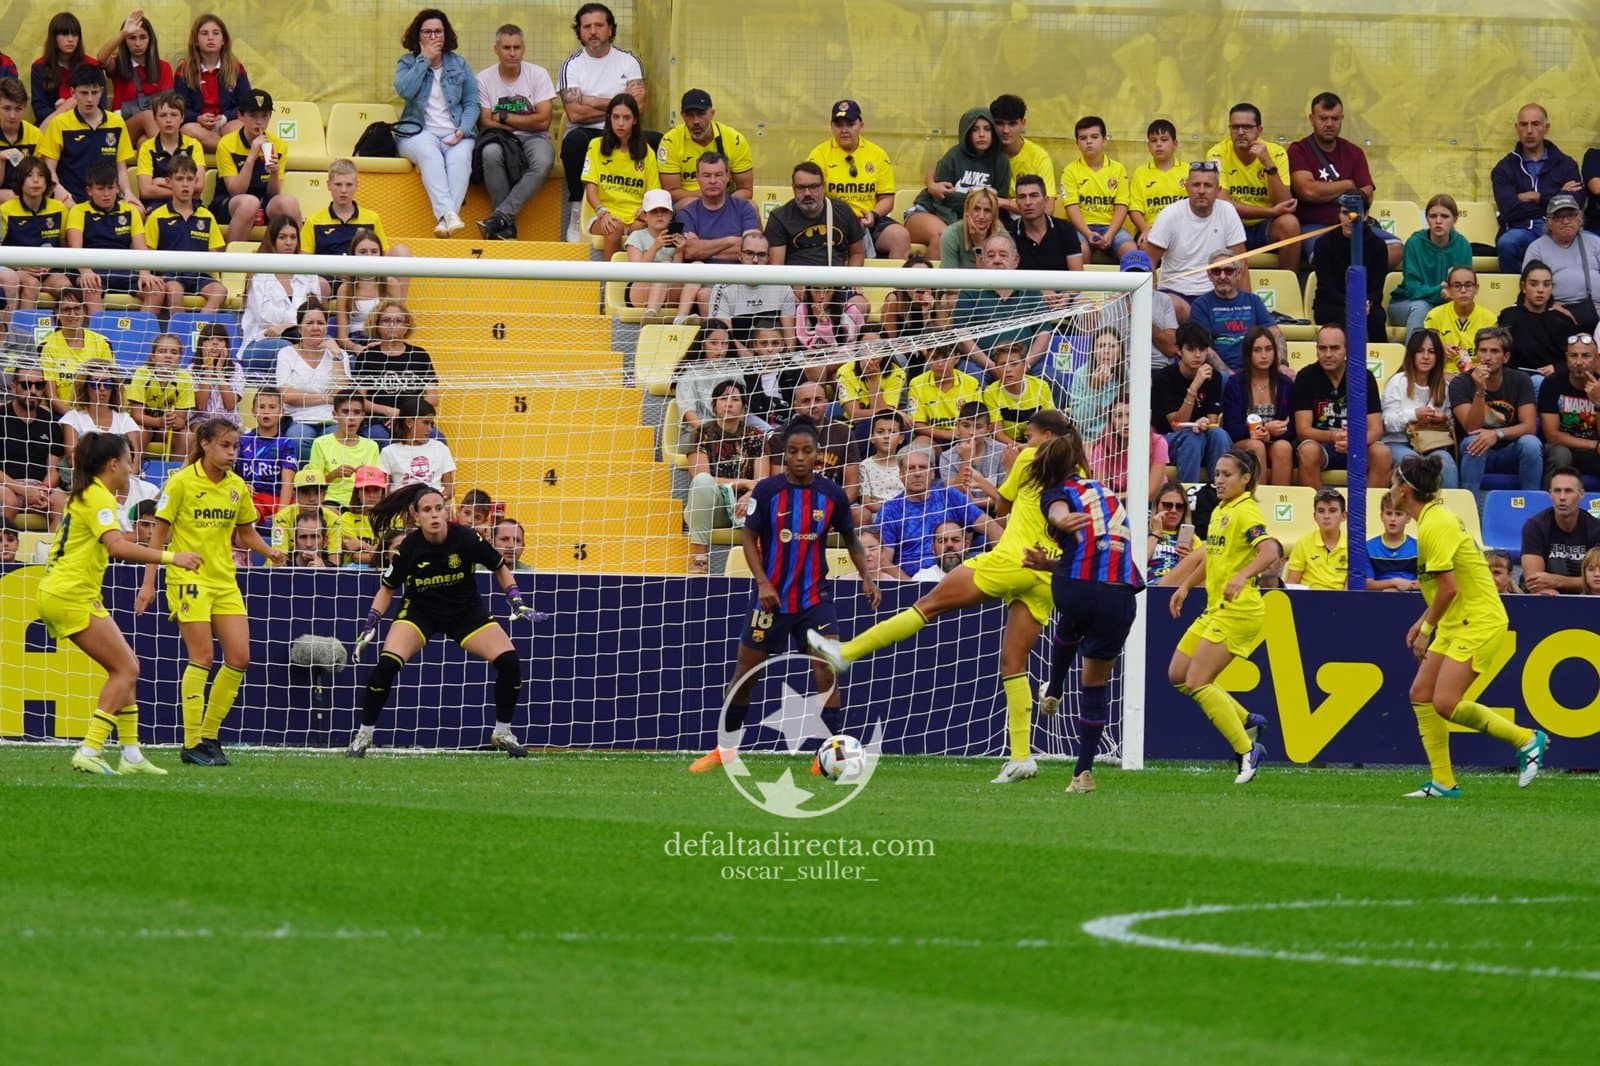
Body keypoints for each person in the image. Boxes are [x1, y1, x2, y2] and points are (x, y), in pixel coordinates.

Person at [809, 411, 1070, 785]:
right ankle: (1022, 756)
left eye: (1029, 436)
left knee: (927, 606)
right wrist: (982, 479)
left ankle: (844, 654)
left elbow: (1002, 510)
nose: (1023, 443)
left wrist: (1009, 466)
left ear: (1044, 436)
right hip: (1046, 572)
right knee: (1013, 662)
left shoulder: (1030, 459)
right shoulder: (1077, 473)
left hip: (1012, 559)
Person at [689, 418, 879, 774]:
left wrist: (867, 576)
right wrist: (762, 582)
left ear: (817, 454)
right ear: (786, 455)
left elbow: (852, 539)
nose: (800, 458)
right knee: (746, 674)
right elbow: (748, 537)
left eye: (807, 451)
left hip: (814, 598)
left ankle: (827, 755)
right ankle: (725, 751)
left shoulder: (832, 495)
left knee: (826, 671)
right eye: (793, 451)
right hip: (771, 599)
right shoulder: (767, 492)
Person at [40, 432, 203, 775]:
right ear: (113, 464)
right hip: (69, 594)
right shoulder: (98, 497)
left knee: (126, 665)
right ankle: (90, 748)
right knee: (126, 669)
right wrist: (173, 556)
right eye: (129, 459)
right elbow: (116, 547)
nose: (131, 467)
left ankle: (131, 755)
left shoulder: (87, 494)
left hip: (68, 591)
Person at [1391, 452, 1548, 798]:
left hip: (1478, 620)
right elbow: (1446, 588)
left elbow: (1449, 588)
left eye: (1393, 481)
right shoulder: (1430, 520)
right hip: (1455, 619)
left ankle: (1526, 739)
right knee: (1421, 695)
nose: (1390, 487)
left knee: (1445, 702)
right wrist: (1423, 622)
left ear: (1404, 489)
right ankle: (1443, 782)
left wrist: (1427, 629)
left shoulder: (1436, 524)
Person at [348, 483, 545, 757]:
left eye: (439, 508)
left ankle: (502, 732)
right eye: (427, 510)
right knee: (386, 664)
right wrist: (371, 623)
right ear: (415, 516)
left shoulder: (467, 538)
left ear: (446, 510)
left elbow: (500, 567)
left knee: (510, 662)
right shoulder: (408, 549)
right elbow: (387, 588)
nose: (434, 515)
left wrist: (516, 600)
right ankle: (363, 735)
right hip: (420, 613)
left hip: (465, 612)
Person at [135, 417, 284, 765]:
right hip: (188, 579)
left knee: (239, 658)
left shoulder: (236, 487)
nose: (232, 453)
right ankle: (190, 742)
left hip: (224, 580)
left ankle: (209, 736)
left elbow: (245, 534)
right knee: (202, 657)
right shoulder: (181, 482)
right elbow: (158, 536)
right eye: (225, 445)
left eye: (235, 447)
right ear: (205, 444)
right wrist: (148, 581)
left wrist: (269, 552)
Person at [1023, 426, 1145, 794]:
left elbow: (1059, 510)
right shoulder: (1106, 492)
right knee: (1094, 683)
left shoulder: (1056, 493)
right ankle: (1083, 773)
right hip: (1120, 597)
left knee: (1072, 618)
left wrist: (1059, 522)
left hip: (1076, 588)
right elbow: (1100, 548)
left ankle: (1054, 687)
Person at [1167, 448, 1277, 784]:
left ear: (1246, 478)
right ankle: (1245, 718)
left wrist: (1243, 576)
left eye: (1227, 474)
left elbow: (1271, 550)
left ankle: (1247, 750)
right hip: (1214, 609)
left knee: (1198, 681)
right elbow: (1212, 559)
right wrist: (1185, 586)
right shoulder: (1220, 510)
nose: (1219, 480)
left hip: (1239, 611)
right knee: (1178, 675)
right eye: (1216, 473)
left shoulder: (1246, 512)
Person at [557, 3, 647, 241]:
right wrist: (619, 107)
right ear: (580, 31)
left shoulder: (629, 61)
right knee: (574, 142)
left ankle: (650, 212)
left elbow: (638, 108)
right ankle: (577, 209)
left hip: (626, 133)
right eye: (587, 27)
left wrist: (590, 100)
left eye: (599, 25)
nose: (593, 31)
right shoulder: (571, 65)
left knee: (656, 142)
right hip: (587, 132)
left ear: (610, 29)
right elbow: (575, 114)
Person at [1287, 92, 1399, 269]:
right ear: (1311, 119)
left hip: (1353, 223)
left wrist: (1325, 192)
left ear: (1342, 119)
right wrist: (1348, 185)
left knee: (1395, 249)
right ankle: (1348, 289)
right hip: (1315, 226)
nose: (1329, 124)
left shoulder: (1354, 152)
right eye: (1323, 118)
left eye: (1335, 119)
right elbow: (1307, 191)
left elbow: (1367, 195)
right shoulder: (1298, 150)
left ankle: (1360, 288)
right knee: (1324, 255)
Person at [394, 9, 476, 238]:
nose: (433, 36)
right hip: (416, 132)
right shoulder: (407, 62)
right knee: (430, 154)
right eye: (427, 32)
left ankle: (445, 219)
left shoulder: (459, 63)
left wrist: (463, 130)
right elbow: (405, 91)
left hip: (455, 131)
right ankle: (449, 214)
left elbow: (471, 102)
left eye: (438, 31)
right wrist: (424, 61)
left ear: (445, 34)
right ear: (418, 36)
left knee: (461, 159)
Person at [473, 23, 554, 241]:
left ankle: (500, 217)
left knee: (544, 160)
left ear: (524, 48)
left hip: (535, 138)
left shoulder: (538, 74)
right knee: (489, 153)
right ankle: (505, 228)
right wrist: (525, 121)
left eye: (517, 47)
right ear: (496, 49)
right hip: (500, 138)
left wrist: (505, 117)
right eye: (506, 47)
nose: (512, 53)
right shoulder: (483, 79)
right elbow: (485, 122)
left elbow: (544, 121)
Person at [804, 99, 909, 259]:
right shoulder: (819, 155)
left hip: (869, 220)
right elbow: (811, 194)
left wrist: (873, 215)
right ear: (831, 126)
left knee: (900, 237)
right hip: (832, 221)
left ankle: (891, 285)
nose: (844, 130)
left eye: (850, 124)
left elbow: (887, 199)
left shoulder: (877, 155)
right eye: (839, 125)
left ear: (861, 125)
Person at [684, 379, 768, 574]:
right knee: (702, 482)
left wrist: (750, 495)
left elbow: (762, 481)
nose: (729, 403)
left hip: (745, 507)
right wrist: (744, 483)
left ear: (744, 407)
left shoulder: (756, 436)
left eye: (735, 399)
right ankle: (700, 558)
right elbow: (701, 475)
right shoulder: (701, 434)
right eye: (723, 398)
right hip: (713, 507)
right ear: (714, 405)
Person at [1292, 323, 1390, 490]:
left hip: (1358, 445)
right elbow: (1303, 430)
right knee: (1308, 450)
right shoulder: (1306, 376)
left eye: (1334, 348)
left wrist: (1355, 441)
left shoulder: (1363, 376)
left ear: (1346, 349)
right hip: (1322, 445)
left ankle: (1368, 513)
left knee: (1382, 453)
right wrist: (1333, 438)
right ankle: (1319, 510)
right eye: (1322, 348)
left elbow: (1376, 429)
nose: (1327, 354)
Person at [877, 445, 1001, 576]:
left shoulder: (950, 496)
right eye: (911, 468)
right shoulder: (890, 510)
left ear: (932, 474)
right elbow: (884, 561)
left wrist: (999, 566)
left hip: (955, 573)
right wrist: (910, 585)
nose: (917, 473)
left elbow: (991, 526)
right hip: (913, 579)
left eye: (923, 467)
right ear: (901, 474)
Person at [1448, 325, 1541, 499]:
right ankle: (1472, 507)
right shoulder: (1460, 383)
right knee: (1473, 442)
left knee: (1531, 444)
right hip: (1476, 447)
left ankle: (1532, 503)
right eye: (1482, 351)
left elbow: (1529, 427)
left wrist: (1496, 434)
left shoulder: (1520, 380)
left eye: (1494, 351)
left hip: (1510, 448)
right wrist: (1479, 390)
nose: (1487, 357)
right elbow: (1471, 427)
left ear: (1506, 357)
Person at [1207, 103, 1302, 271]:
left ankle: (1287, 285)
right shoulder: (1217, 153)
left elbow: (1285, 204)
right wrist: (1271, 211)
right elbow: (1223, 203)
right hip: (1232, 223)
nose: (1241, 132)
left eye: (1247, 127)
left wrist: (1267, 163)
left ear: (1259, 130)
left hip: (1266, 225)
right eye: (1235, 127)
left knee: (1290, 224)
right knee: (1213, 222)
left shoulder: (1276, 153)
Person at [1491, 104, 1583, 274]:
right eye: (1524, 124)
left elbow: (1576, 202)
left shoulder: (1566, 164)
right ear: (1517, 128)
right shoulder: (1504, 168)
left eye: (1535, 124)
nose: (1529, 130)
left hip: (1558, 229)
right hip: (1520, 230)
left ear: (1546, 128)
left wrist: (1537, 196)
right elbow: (1509, 209)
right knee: (1507, 243)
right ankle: (1518, 295)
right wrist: (1558, 196)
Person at [906, 106, 1009, 250]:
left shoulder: (1001, 161)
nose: (981, 134)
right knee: (946, 236)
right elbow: (940, 200)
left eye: (987, 129)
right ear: (966, 132)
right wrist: (962, 218)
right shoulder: (953, 156)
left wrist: (960, 199)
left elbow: (996, 202)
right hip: (928, 212)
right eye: (975, 129)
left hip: (972, 219)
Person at [1146, 161, 1247, 307]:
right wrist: (1153, 304)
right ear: (1186, 187)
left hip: (1216, 293)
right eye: (1196, 185)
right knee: (1175, 307)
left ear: (1218, 190)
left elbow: (1241, 262)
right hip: (1176, 293)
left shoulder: (1228, 211)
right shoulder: (1169, 214)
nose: (1201, 190)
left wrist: (1246, 307)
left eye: (1208, 185)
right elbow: (1149, 262)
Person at [64, 160, 158, 315]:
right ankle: (98, 336)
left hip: (122, 270)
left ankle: (140, 335)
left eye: (110, 188)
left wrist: (145, 273)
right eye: (100, 189)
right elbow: (75, 249)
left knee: (156, 290)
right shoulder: (78, 211)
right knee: (91, 286)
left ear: (118, 188)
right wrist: (86, 272)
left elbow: (142, 249)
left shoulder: (130, 211)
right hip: (91, 270)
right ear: (89, 190)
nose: (106, 194)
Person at [240, 217, 327, 377]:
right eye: (282, 237)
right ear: (272, 240)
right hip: (260, 342)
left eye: (293, 237)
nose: (289, 242)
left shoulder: (308, 273)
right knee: (286, 348)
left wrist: (285, 326)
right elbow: (266, 317)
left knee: (330, 349)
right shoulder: (258, 275)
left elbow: (315, 312)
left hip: (303, 339)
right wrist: (295, 324)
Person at [953, 235, 1052, 375]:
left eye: (1003, 255)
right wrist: (991, 367)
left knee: (1052, 378)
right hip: (980, 366)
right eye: (991, 256)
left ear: (1016, 260)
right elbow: (961, 336)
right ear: (982, 261)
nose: (997, 260)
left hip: (1025, 365)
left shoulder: (1030, 289)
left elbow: (1044, 332)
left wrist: (1025, 365)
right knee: (972, 380)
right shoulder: (970, 290)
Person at [37, 65, 134, 207]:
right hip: (72, 199)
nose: (89, 99)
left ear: (101, 92)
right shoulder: (59, 124)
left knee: (139, 212)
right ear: (73, 92)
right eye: (83, 93)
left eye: (94, 92)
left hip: (108, 199)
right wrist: (58, 189)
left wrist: (128, 192)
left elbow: (121, 167)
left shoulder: (117, 123)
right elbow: (49, 168)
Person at [141, 153, 226, 314]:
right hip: (171, 276)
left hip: (199, 275)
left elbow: (213, 252)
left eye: (189, 179)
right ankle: (180, 333)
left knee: (219, 291)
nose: (185, 185)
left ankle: (199, 330)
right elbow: (148, 253)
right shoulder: (157, 216)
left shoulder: (206, 216)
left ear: (196, 182)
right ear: (168, 182)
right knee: (174, 290)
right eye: (179, 179)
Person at [210, 89, 298, 243]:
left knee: (288, 203)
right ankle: (231, 264)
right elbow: (236, 190)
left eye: (264, 116)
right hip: (230, 202)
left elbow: (274, 194)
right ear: (240, 116)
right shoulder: (227, 144)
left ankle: (300, 262)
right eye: (253, 115)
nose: (259, 122)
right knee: (249, 203)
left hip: (264, 201)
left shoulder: (278, 145)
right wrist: (252, 156)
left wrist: (274, 173)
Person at [582, 92, 660, 259]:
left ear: (635, 120)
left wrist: (645, 210)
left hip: (636, 217)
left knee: (640, 229)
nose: (621, 123)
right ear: (609, 118)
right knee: (614, 226)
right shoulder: (596, 146)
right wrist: (603, 213)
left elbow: (653, 194)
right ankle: (608, 282)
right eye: (616, 117)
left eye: (626, 118)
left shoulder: (648, 153)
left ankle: (635, 282)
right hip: (604, 214)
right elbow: (591, 190)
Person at [1153, 322, 1231, 482]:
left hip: (1201, 435)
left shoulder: (1214, 376)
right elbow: (1176, 424)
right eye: (1191, 349)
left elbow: (1213, 421)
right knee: (1192, 438)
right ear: (1179, 350)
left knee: (1219, 434)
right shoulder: (1163, 378)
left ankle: (1218, 494)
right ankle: (1188, 496)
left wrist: (1205, 422)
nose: (1197, 355)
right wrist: (1195, 386)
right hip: (1168, 440)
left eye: (1202, 350)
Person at [348, 301, 439, 435]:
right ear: (377, 325)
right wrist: (388, 411)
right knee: (380, 438)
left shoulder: (420, 355)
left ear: (407, 326)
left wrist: (406, 415)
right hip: (378, 421)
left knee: (438, 439)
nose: (392, 325)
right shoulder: (368, 357)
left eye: (398, 321)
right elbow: (359, 400)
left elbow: (433, 398)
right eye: (386, 320)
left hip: (414, 419)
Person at [1382, 329, 1459, 488]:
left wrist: (1443, 419)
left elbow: (1451, 422)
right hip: (1398, 442)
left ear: (1438, 356)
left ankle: (1448, 508)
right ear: (1411, 355)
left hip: (1431, 444)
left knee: (1448, 464)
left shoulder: (1444, 386)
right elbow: (1386, 422)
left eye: (1431, 352)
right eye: (1420, 351)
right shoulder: (1398, 381)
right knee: (1414, 463)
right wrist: (1414, 414)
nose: (1425, 357)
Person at [275, 297, 349, 461]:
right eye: (310, 323)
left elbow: (342, 394)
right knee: (298, 439)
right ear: (300, 328)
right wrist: (326, 397)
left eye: (320, 323)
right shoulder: (286, 354)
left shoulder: (339, 354)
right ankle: (305, 485)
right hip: (298, 418)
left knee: (337, 441)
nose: (316, 327)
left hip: (331, 418)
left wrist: (337, 357)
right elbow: (288, 396)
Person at [1389, 194, 1472, 340]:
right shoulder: (1414, 243)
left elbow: (1463, 287)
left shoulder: (1463, 245)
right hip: (1407, 304)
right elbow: (1413, 289)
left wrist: (1451, 292)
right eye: (1433, 216)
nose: (1438, 221)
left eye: (1444, 216)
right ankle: (1413, 361)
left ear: (1455, 219)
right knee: (1422, 307)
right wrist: (1441, 290)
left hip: (1447, 304)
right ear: (1427, 219)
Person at [1221, 326, 1294, 484]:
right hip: (1245, 441)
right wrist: (1263, 430)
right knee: (1257, 446)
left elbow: (1292, 427)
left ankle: (1277, 501)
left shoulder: (1285, 384)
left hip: (1275, 441)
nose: (1263, 355)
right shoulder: (1235, 384)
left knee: (1283, 447)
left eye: (1268, 349)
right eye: (1257, 350)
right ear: (1248, 354)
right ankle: (1257, 502)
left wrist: (1272, 434)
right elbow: (1230, 428)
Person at [656, 89, 753, 206]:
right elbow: (670, 193)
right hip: (689, 202)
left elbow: (746, 190)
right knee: (688, 203)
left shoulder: (735, 140)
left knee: (751, 206)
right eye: (690, 115)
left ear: (712, 113)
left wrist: (725, 203)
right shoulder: (670, 142)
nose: (696, 121)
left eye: (701, 114)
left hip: (725, 201)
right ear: (682, 116)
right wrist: (707, 196)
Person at [1059, 115, 1136, 264]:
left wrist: (1109, 234)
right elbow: (1071, 208)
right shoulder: (1070, 171)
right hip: (1081, 229)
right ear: (1077, 143)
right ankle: (1080, 288)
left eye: (1094, 137)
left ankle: (1125, 289)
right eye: (1083, 138)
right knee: (1080, 251)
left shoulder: (1118, 169)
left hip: (1111, 227)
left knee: (1132, 251)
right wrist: (1088, 234)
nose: (1088, 141)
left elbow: (1121, 206)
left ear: (1104, 140)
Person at [0, 363, 68, 529]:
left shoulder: (51, 422)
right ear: (14, 386)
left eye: (39, 385)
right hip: (6, 485)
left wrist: (42, 491)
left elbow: (53, 469)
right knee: (8, 500)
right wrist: (23, 491)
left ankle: (52, 553)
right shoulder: (1, 416)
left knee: (62, 502)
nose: (33, 390)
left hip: (40, 486)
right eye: (26, 385)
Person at [0, 157, 70, 317]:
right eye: (30, 176)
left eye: (41, 176)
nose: (36, 181)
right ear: (20, 181)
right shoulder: (5, 210)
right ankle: (18, 336)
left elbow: (63, 244)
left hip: (49, 271)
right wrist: (21, 267)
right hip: (18, 269)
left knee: (65, 287)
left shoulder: (59, 208)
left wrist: (51, 264)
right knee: (31, 284)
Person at [1188, 250, 1279, 372]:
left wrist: (1282, 364)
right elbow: (1204, 347)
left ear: (1238, 273)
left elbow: (1275, 333)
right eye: (1216, 271)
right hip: (1220, 372)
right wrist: (1229, 374)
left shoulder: (1254, 301)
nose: (1222, 276)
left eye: (1228, 271)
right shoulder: (1201, 305)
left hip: (1256, 368)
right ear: (1209, 275)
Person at [172, 13, 251, 152]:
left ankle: (220, 146)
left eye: (215, 33)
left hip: (227, 122)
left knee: (242, 128)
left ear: (223, 40)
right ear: (196, 40)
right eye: (204, 33)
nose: (210, 38)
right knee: (187, 130)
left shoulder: (236, 68)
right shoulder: (184, 70)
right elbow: (180, 108)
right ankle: (227, 150)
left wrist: (225, 118)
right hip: (198, 125)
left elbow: (246, 104)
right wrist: (199, 118)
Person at [1521, 194, 1600, 334]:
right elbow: (1529, 288)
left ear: (1580, 218)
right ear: (1549, 222)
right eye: (1559, 217)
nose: (1565, 221)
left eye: (1571, 216)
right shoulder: (1537, 248)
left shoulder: (1595, 243)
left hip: (1596, 309)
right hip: (1555, 310)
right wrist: (1552, 306)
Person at [764, 161, 863, 268]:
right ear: (793, 189)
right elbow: (777, 267)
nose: (807, 193)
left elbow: (857, 253)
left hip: (835, 281)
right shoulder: (779, 218)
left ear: (823, 187)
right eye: (801, 188)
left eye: (813, 187)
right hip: (796, 282)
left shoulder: (843, 211)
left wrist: (852, 283)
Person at [1312, 208, 1389, 344]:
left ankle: (1379, 360)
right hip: (1332, 304)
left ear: (1365, 215)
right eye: (1344, 213)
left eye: (1355, 213)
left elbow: (1377, 289)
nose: (1350, 218)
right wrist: (1352, 304)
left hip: (1366, 305)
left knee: (1377, 317)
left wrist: (1367, 302)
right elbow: (1326, 288)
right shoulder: (1323, 244)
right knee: (1346, 317)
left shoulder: (1378, 246)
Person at [1520, 466, 1600, 595]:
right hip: (1548, 597)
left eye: (1568, 491)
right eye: (1557, 491)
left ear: (1581, 494)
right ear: (1550, 494)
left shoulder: (1596, 528)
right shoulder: (1535, 526)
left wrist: (1558, 581)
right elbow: (1533, 581)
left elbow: (1597, 581)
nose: (1562, 497)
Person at [674, 151, 759, 272]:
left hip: (738, 278)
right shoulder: (687, 213)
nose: (713, 181)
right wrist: (731, 241)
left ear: (727, 176)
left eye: (718, 175)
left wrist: (703, 249)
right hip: (700, 280)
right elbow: (689, 251)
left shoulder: (744, 208)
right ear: (697, 178)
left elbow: (753, 250)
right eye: (707, 175)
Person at [96, 10, 171, 146]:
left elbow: (168, 104)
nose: (137, 43)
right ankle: (171, 158)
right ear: (125, 41)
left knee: (144, 143)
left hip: (154, 127)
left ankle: (164, 161)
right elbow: (101, 58)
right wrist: (124, 32)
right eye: (132, 38)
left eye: (143, 37)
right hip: (122, 128)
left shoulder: (163, 67)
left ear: (150, 39)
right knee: (146, 115)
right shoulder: (118, 65)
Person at [707, 233, 796, 343]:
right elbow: (725, 337)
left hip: (773, 356)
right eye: (749, 253)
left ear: (768, 258)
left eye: (761, 255)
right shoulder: (723, 288)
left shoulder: (782, 287)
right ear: (740, 255)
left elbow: (789, 336)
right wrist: (750, 359)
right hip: (736, 357)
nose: (755, 260)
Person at [37, 286, 113, 414]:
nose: (72, 314)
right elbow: (51, 397)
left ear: (84, 311)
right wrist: (75, 419)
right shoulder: (47, 346)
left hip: (96, 413)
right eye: (67, 309)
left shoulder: (102, 343)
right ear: (57, 313)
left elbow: (107, 387)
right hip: (60, 414)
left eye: (77, 308)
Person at [1499, 259, 1573, 385]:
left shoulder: (1562, 320)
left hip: (1555, 381)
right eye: (1534, 284)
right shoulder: (1509, 316)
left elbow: (1576, 358)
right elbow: (1500, 353)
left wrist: (1558, 368)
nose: (1540, 290)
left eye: (1546, 284)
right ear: (1523, 287)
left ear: (1552, 288)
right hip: (1515, 383)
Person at [624, 188, 691, 323]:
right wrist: (655, 247)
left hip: (669, 290)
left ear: (671, 215)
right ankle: (651, 315)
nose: (659, 215)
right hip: (639, 291)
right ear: (645, 215)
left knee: (697, 268)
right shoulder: (636, 236)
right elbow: (636, 273)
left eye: (664, 211)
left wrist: (679, 251)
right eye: (654, 211)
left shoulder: (677, 237)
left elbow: (676, 274)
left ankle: (681, 317)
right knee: (664, 267)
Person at [1538, 332, 1600, 479]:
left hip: (1591, 451)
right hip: (1560, 446)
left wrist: (1598, 403)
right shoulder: (1552, 383)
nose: (1578, 362)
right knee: (1561, 455)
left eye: (1586, 356)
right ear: (1566, 357)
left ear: (1597, 359)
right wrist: (1595, 445)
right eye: (1573, 355)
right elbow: (1552, 435)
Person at [308, 388, 381, 508]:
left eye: (356, 412)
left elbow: (375, 487)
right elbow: (313, 485)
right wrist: (333, 475)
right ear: (335, 415)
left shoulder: (372, 446)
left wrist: (365, 476)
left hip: (362, 504)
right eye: (345, 412)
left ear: (363, 416)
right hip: (330, 502)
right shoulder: (320, 443)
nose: (351, 417)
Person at [333, 230, 405, 350]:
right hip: (356, 343)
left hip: (384, 342)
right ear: (353, 255)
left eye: (374, 251)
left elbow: (399, 326)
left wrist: (382, 345)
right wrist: (357, 349)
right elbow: (342, 337)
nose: (369, 256)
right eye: (363, 252)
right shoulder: (345, 289)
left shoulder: (391, 284)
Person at [61, 360, 142, 464]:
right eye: (95, 384)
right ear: (85, 387)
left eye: (107, 384)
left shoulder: (124, 419)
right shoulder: (72, 418)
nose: (102, 389)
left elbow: (134, 462)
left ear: (114, 388)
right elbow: (73, 459)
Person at [126, 333, 193, 460]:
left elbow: (181, 420)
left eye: (174, 352)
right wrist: (159, 422)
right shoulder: (142, 373)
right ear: (153, 357)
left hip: (167, 429)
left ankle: (174, 474)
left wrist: (173, 421)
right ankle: (134, 472)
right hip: (144, 424)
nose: (168, 356)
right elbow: (136, 415)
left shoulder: (185, 378)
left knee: (187, 436)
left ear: (179, 359)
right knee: (140, 432)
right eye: (162, 351)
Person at [989, 94, 1055, 219]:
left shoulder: (1039, 156)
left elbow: (1047, 210)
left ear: (1023, 123)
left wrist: (1003, 203)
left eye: (1012, 124)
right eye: (1000, 123)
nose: (1006, 130)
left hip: (1027, 222)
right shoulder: (984, 152)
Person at [379, 395, 454, 501]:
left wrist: (430, 503)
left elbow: (450, 490)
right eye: (426, 423)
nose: (430, 429)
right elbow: (384, 492)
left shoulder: (440, 448)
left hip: (433, 509)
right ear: (409, 422)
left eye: (431, 424)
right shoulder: (389, 452)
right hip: (402, 510)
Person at [29, 12, 96, 130]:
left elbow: (101, 104)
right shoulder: (39, 67)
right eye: (64, 34)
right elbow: (39, 108)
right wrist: (61, 110)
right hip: (52, 125)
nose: (70, 39)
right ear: (53, 37)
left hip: (86, 124)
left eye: (74, 34)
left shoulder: (91, 65)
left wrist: (72, 108)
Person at [1423, 266, 1498, 371]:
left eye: (1468, 285)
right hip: (1441, 376)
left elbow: (1493, 358)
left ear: (1476, 288)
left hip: (1477, 375)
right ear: (1448, 289)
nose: (1463, 290)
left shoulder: (1490, 319)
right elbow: (1424, 355)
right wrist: (1439, 350)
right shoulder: (1434, 316)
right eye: (1457, 286)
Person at [1007, 173, 1083, 273]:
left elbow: (1076, 278)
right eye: (1022, 197)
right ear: (1016, 202)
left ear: (1045, 200)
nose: (1028, 202)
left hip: (1061, 288)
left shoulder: (1065, 230)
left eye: (1034, 196)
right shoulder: (1007, 234)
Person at [237, 387, 295, 516]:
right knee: (247, 514)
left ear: (281, 412)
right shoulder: (243, 440)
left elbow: (288, 481)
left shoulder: (286, 443)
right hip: (249, 499)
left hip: (277, 499)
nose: (266, 412)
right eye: (261, 407)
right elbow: (231, 475)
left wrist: (282, 513)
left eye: (272, 407)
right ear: (253, 411)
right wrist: (241, 486)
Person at [983, 340, 1056, 443]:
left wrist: (1032, 447)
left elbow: (1050, 424)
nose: (1008, 369)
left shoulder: (1041, 386)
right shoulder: (990, 392)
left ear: (1025, 365)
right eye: (1003, 364)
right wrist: (1020, 448)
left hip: (1038, 444)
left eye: (1014, 364)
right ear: (996, 368)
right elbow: (997, 434)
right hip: (1006, 445)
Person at [908, 344, 981, 446]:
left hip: (966, 437)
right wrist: (947, 434)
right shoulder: (916, 384)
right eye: (935, 358)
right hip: (933, 440)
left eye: (946, 358)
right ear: (927, 358)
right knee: (920, 443)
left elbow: (979, 418)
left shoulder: (971, 383)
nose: (940, 363)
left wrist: (962, 434)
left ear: (957, 358)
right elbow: (916, 424)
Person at [940, 402, 1006, 508]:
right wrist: (965, 459)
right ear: (957, 425)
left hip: (996, 511)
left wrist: (974, 501)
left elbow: (1006, 500)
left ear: (988, 429)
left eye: (978, 427)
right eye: (966, 426)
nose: (971, 432)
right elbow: (954, 496)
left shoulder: (1001, 451)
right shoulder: (946, 457)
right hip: (961, 514)